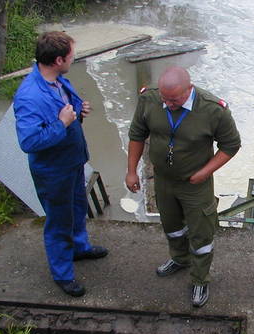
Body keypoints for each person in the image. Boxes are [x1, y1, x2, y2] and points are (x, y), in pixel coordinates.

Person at [126, 66, 241, 307]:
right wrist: (131, 171)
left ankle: (200, 278)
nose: (168, 104)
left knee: (201, 233)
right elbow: (137, 134)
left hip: (195, 184)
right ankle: (179, 259)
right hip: (164, 180)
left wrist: (204, 172)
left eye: (175, 99)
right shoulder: (150, 99)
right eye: (165, 99)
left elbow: (231, 145)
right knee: (171, 226)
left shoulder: (212, 110)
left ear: (189, 89)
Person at [14, 31, 108, 297]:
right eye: (70, 56)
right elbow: (29, 142)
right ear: (58, 60)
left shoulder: (57, 81)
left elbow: (66, 110)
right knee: (58, 222)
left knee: (77, 208)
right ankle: (63, 274)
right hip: (53, 172)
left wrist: (79, 112)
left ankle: (79, 248)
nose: (73, 59)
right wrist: (63, 123)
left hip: (72, 162)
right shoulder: (29, 96)